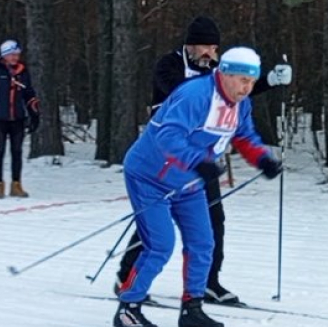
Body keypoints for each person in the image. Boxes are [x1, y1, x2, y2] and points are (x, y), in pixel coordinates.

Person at [115, 16, 293, 303]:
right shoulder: (172, 66)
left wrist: (268, 82)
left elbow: (234, 96)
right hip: (162, 159)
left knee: (209, 228)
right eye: (203, 46)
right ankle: (127, 279)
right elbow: (195, 94)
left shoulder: (223, 80)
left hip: (198, 164)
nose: (209, 52)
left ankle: (205, 285)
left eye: (214, 47)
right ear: (190, 45)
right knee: (156, 234)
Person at [0, 39, 40, 199]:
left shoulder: (22, 72)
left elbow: (29, 94)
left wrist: (34, 115)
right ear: (4, 55)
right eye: (11, 54)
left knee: (17, 151)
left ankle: (16, 184)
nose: (15, 58)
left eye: (17, 54)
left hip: (18, 118)